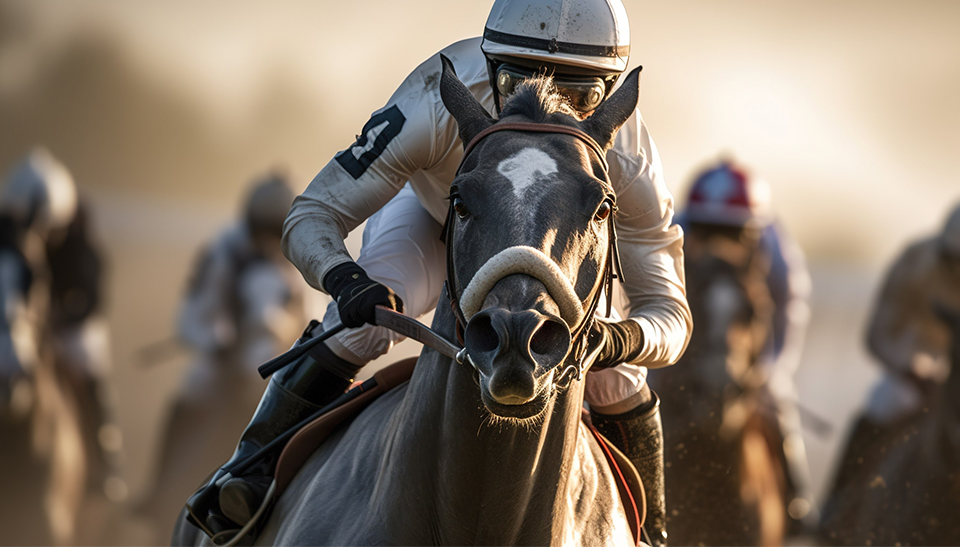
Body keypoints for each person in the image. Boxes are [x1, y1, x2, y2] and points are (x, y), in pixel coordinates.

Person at [186, 2, 692, 544]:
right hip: (440, 221)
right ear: (490, 65)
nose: (549, 110)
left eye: (581, 97)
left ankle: (653, 531)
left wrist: (622, 338)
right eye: (520, 80)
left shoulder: (629, 155)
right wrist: (345, 280)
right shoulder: (433, 97)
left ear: (611, 93)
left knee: (617, 376)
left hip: (558, 248)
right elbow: (313, 213)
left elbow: (671, 314)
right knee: (361, 326)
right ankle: (247, 477)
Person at [676, 159, 817, 531]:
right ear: (696, 225)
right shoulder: (672, 235)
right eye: (709, 230)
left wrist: (770, 368)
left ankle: (794, 499)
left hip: (750, 348)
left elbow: (789, 308)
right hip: (681, 349)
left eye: (733, 231)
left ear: (753, 232)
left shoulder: (776, 251)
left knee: (778, 403)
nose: (720, 243)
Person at [820, 202, 960, 527]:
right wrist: (911, 369)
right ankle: (838, 508)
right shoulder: (914, 262)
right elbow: (878, 333)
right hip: (911, 367)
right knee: (883, 407)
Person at [0, 148, 119, 491]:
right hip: (22, 327)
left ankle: (106, 458)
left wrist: (60, 316)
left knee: (86, 362)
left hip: (68, 328)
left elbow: (91, 297)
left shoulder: (79, 242)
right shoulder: (9, 238)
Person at [177, 171, 307, 379]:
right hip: (221, 369)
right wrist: (215, 343)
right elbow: (192, 318)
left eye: (274, 232)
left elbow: (311, 317)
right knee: (195, 393)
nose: (268, 245)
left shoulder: (300, 255)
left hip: (276, 366)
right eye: (262, 229)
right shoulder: (225, 250)